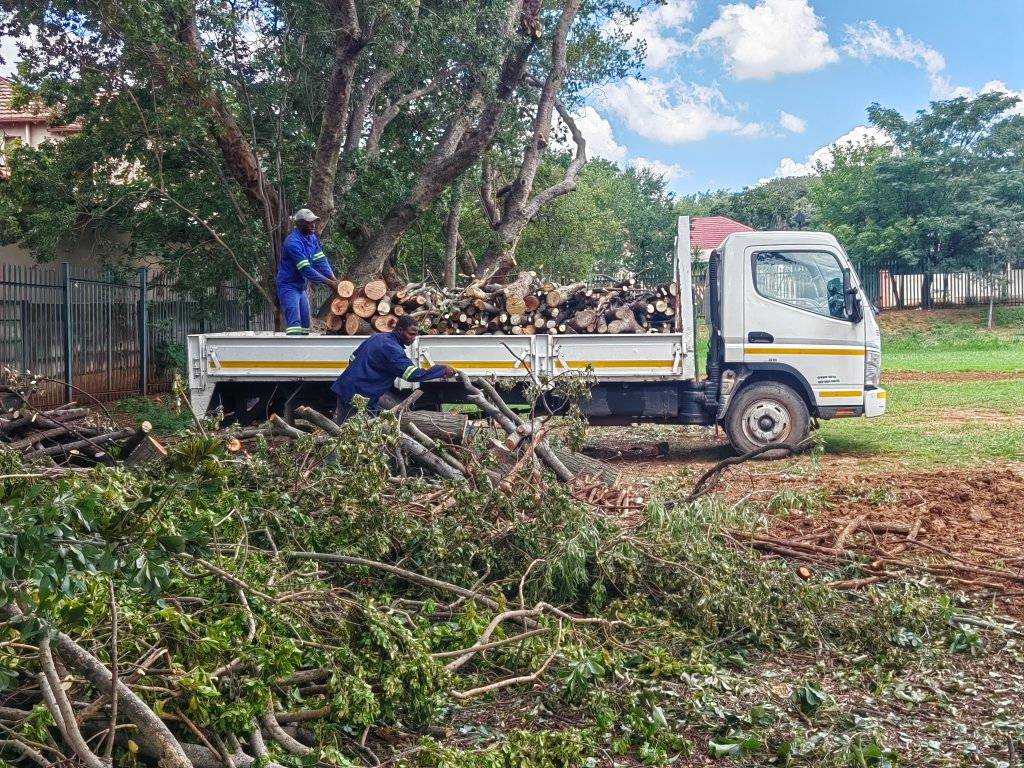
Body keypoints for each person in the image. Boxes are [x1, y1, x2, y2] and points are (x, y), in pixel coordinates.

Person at [331, 315, 457, 421]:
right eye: (411, 334)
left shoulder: (377, 337)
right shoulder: (392, 350)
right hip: (357, 396)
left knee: (351, 431)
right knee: (351, 435)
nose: (413, 339)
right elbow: (413, 375)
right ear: (399, 330)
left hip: (348, 389)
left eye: (416, 335)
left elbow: (352, 358)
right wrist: (442, 370)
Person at [277, 208, 340, 335]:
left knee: (305, 324)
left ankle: (304, 351)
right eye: (310, 222)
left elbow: (321, 260)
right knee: (295, 325)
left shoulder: (312, 238)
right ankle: (293, 352)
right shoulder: (292, 242)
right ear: (300, 224)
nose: (313, 225)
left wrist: (334, 279)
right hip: (288, 286)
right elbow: (306, 269)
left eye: (314, 222)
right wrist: (329, 283)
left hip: (301, 287)